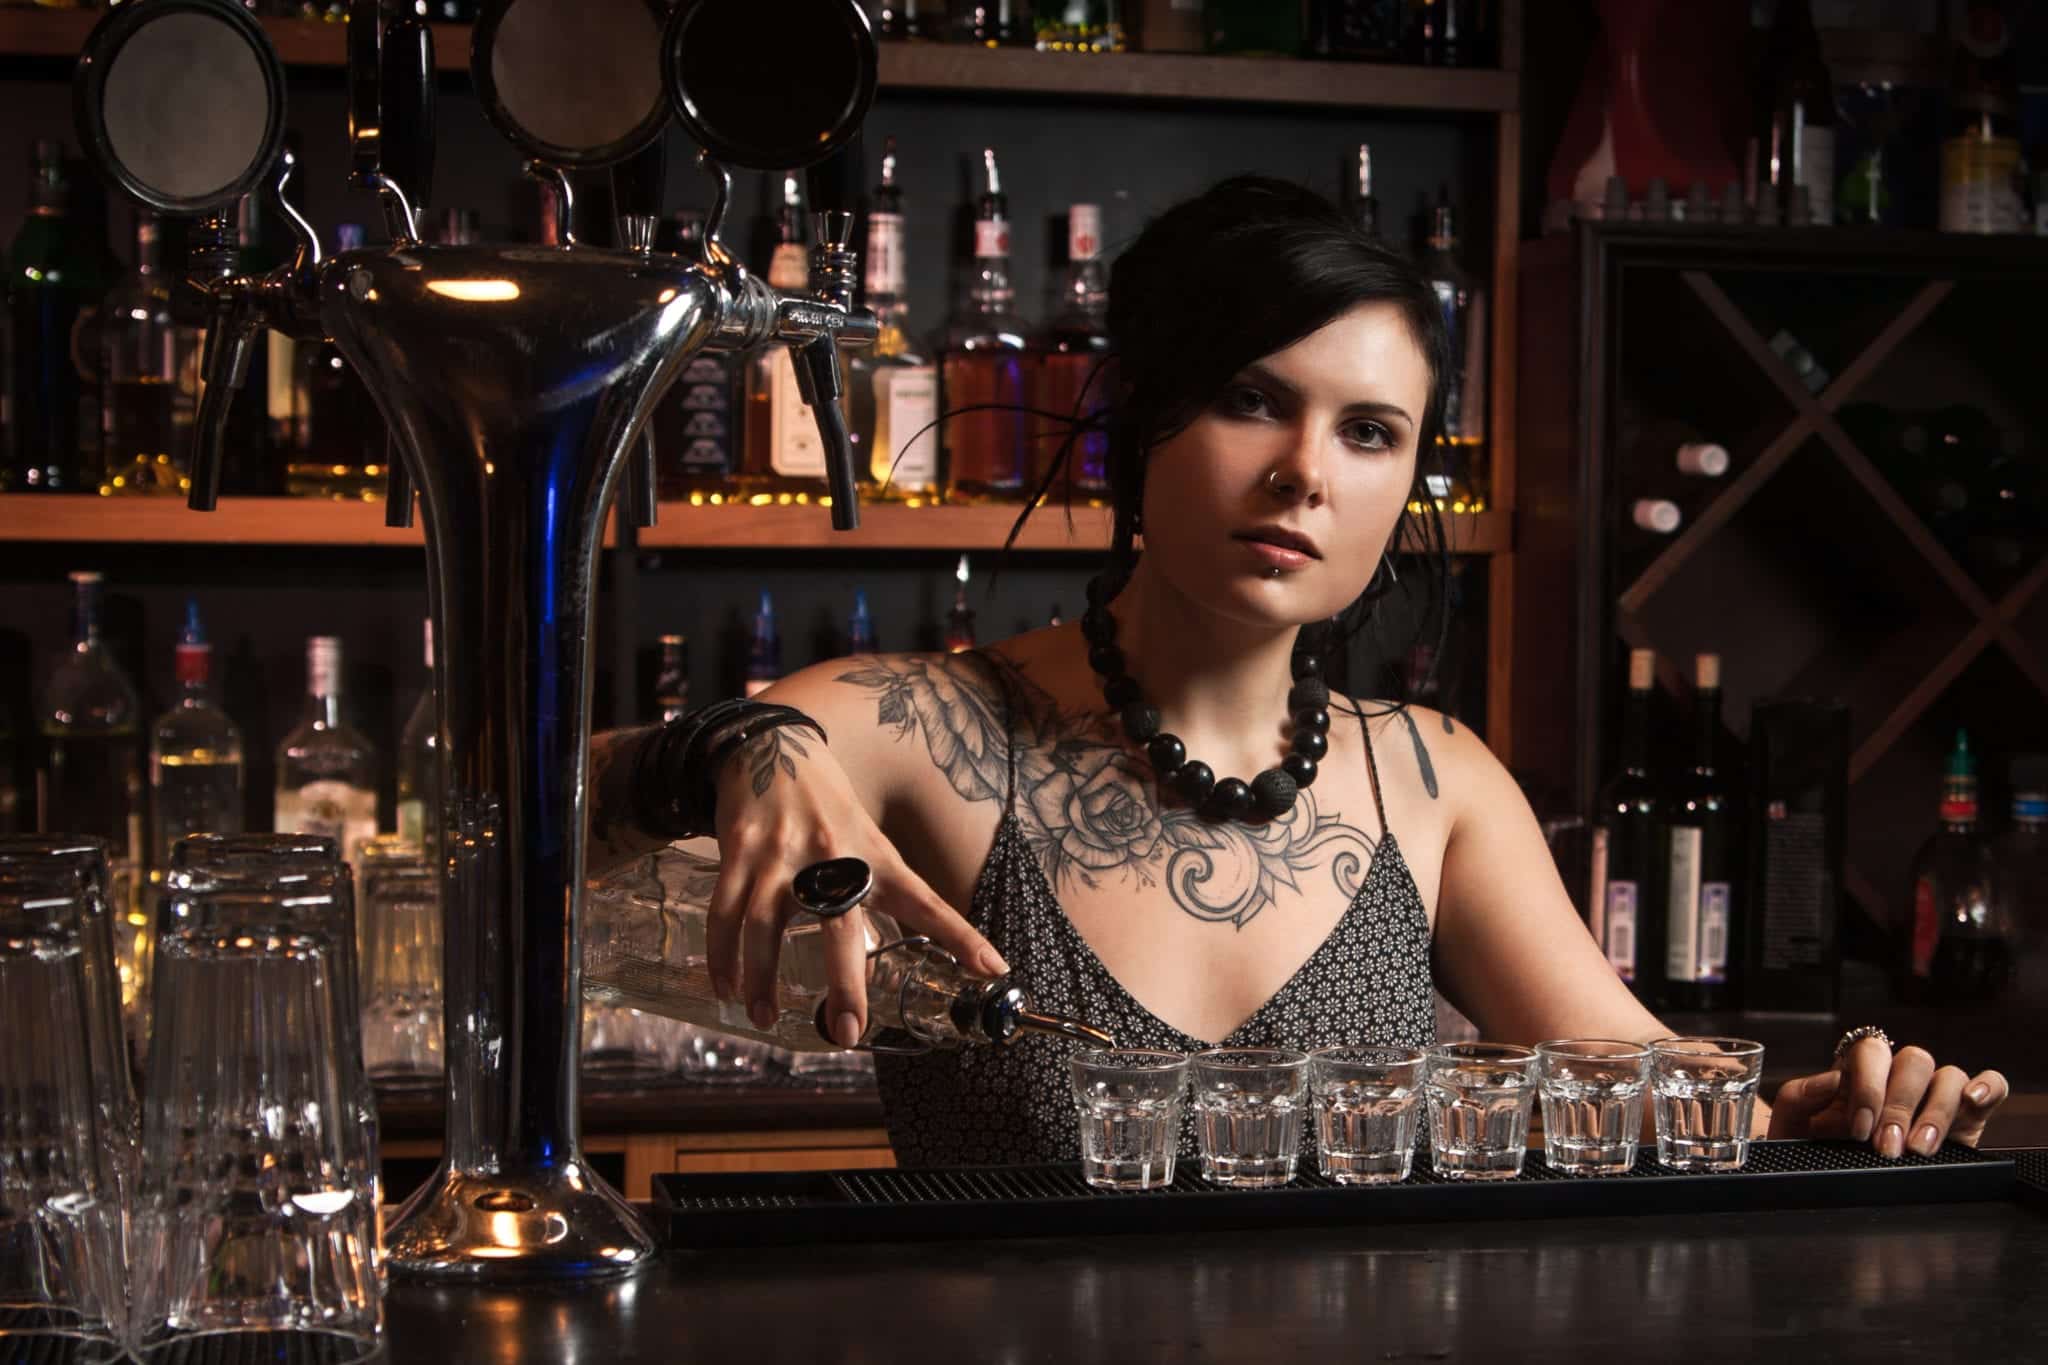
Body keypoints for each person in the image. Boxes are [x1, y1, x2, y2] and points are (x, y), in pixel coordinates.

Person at [587, 176, 2007, 1166]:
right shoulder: (945, 729)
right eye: (1253, 399)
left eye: (1371, 430)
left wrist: (1829, 1102)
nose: (1304, 475)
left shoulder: (1432, 780)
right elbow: (512, 800)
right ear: (1144, 418)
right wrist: (728, 747)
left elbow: (1637, 1079)